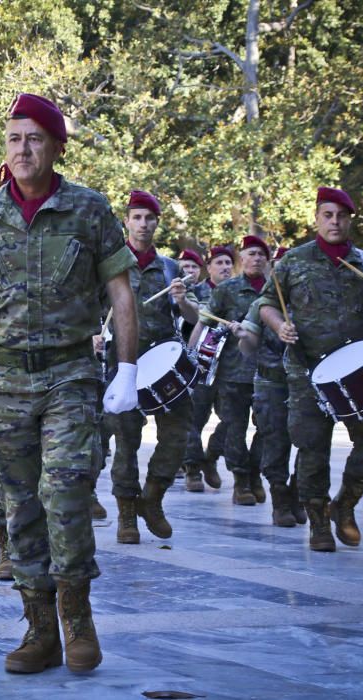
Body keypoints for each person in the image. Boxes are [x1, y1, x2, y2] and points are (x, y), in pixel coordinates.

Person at [0, 93, 138, 674]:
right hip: (1, 380)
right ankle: (39, 629)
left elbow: (121, 294)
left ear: (56, 147)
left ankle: (78, 616)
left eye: (34, 139)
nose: (22, 149)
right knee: (17, 505)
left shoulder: (89, 209)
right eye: (13, 139)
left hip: (69, 374)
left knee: (67, 491)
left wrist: (128, 366)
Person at [260, 187, 363, 552]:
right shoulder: (291, 262)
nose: (334, 221)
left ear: (350, 219)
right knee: (311, 446)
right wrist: (280, 326)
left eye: (341, 215)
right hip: (307, 372)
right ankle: (319, 522)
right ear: (317, 218)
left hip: (358, 371)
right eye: (327, 215)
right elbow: (266, 305)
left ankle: (346, 504)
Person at [106, 189, 199, 545]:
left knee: (178, 436)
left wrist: (183, 300)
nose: (143, 224)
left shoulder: (171, 268)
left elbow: (192, 317)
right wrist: (94, 338)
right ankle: (126, 515)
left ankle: (153, 497)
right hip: (123, 364)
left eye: (149, 218)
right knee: (126, 441)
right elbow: (93, 312)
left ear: (157, 223)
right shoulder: (111, 264)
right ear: (126, 221)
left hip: (164, 365)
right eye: (137, 217)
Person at [191, 235, 269, 506]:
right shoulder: (227, 289)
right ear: (242, 259)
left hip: (269, 373)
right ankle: (241, 481)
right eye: (250, 253)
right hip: (233, 371)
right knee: (235, 427)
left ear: (267, 259)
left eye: (261, 254)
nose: (255, 258)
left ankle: (255, 473)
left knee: (268, 429)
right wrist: (193, 357)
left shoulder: (276, 290)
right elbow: (204, 321)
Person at [238, 248, 305, 527]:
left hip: (305, 382)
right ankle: (279, 497)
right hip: (270, 382)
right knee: (274, 441)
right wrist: (244, 336)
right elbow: (248, 346)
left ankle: (298, 491)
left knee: (310, 441)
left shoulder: (308, 302)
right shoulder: (261, 304)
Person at [182, 246, 234, 491]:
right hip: (201, 365)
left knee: (232, 419)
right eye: (219, 263)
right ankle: (192, 468)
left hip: (231, 367)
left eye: (228, 263)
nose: (225, 267)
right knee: (193, 419)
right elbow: (190, 314)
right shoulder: (195, 292)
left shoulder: (237, 292)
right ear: (209, 267)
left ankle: (211, 457)